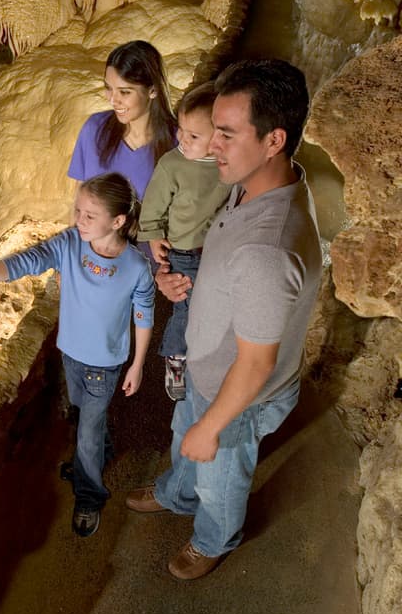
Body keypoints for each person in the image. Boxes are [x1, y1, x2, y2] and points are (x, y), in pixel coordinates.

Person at [125, 59, 321, 581]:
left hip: (238, 397)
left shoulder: (268, 249)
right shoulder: (252, 183)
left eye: (227, 135)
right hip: (207, 366)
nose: (212, 147)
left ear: (274, 140)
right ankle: (176, 493)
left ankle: (214, 537)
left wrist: (213, 426)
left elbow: (255, 364)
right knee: (183, 439)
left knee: (220, 477)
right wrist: (172, 278)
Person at [0, 172, 153, 539]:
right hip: (71, 355)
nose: (79, 220)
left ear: (118, 221)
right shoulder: (69, 244)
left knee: (88, 433)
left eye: (90, 215)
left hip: (106, 364)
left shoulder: (136, 268)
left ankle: (90, 494)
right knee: (81, 416)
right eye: (78, 210)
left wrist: (139, 363)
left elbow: (143, 312)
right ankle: (94, 457)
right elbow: (24, 261)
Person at [136, 82, 231, 401]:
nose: (182, 140)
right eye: (181, 131)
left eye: (193, 136)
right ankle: (175, 357)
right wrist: (152, 237)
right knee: (188, 308)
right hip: (184, 252)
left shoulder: (228, 166)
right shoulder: (173, 165)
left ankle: (208, 356)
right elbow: (152, 206)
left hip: (216, 251)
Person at [69, 41, 177, 199]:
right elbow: (78, 205)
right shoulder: (94, 129)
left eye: (124, 92)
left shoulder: (181, 142)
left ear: (153, 90)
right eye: (108, 88)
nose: (113, 100)